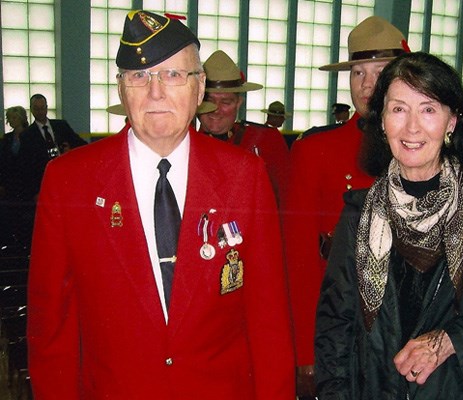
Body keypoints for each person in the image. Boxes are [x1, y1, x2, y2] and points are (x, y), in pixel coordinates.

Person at [27, 10, 295, 399]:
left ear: (199, 87)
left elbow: (268, 319)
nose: (156, 92)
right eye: (140, 76)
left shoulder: (244, 176)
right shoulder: (70, 180)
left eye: (173, 75)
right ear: (121, 89)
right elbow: (51, 328)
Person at [314, 51, 463, 400]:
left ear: (451, 121)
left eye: (428, 109)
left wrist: (453, 340)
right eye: (398, 109)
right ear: (382, 122)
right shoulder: (359, 214)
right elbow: (335, 328)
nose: (412, 127)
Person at [282, 16, 411, 399]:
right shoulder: (314, 151)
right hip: (342, 334)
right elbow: (298, 259)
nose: (367, 85)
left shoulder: (431, 150)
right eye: (358, 73)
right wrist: (306, 352)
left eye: (380, 72)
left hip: (413, 336)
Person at [198, 50, 289, 203]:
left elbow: (285, 202)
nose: (216, 109)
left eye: (226, 102)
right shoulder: (181, 143)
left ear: (239, 103)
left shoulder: (266, 141)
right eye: (209, 100)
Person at [18, 93, 87, 200]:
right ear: (31, 110)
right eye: (36, 108)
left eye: (42, 108)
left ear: (47, 108)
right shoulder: (27, 135)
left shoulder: (61, 126)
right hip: (43, 181)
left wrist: (70, 151)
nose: (40, 112)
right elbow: (26, 167)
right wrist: (35, 192)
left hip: (67, 177)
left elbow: (82, 145)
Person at [0, 106, 29, 245]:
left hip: (25, 182)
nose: (11, 121)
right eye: (9, 118)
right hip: (11, 182)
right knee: (11, 212)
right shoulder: (7, 139)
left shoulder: (30, 136)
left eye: (14, 118)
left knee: (25, 213)